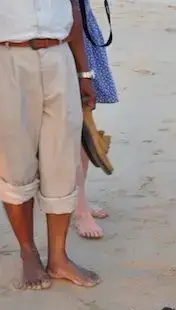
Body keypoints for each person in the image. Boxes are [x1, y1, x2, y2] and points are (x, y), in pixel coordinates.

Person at [0, 0, 102, 289]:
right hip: (7, 59)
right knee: (14, 162)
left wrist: (84, 74)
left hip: (59, 56)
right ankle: (28, 253)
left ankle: (58, 258)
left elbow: (74, 12)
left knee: (63, 160)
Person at [74, 0, 119, 239]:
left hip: (77, 27)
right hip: (62, 33)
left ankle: (79, 203)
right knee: (78, 130)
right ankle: (79, 207)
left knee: (83, 127)